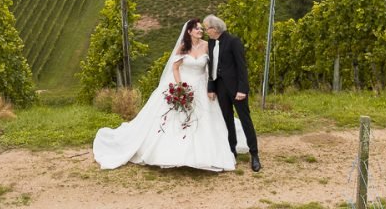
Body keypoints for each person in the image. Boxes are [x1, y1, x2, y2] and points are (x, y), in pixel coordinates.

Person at [92, 19, 248, 172]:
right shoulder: (183, 47)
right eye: (197, 28)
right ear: (189, 32)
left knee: (206, 119)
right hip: (184, 85)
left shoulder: (208, 46)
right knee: (173, 118)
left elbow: (213, 68)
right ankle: (172, 153)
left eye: (202, 29)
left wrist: (212, 87)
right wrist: (180, 87)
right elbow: (175, 68)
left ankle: (212, 152)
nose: (201, 31)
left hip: (201, 87)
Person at [203, 14, 261, 172]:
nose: (205, 31)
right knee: (226, 120)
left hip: (236, 88)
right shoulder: (211, 42)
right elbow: (212, 67)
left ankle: (254, 154)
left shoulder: (234, 41)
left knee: (245, 119)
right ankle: (231, 151)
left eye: (206, 28)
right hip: (220, 87)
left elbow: (242, 67)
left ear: (214, 29)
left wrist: (242, 89)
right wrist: (211, 87)